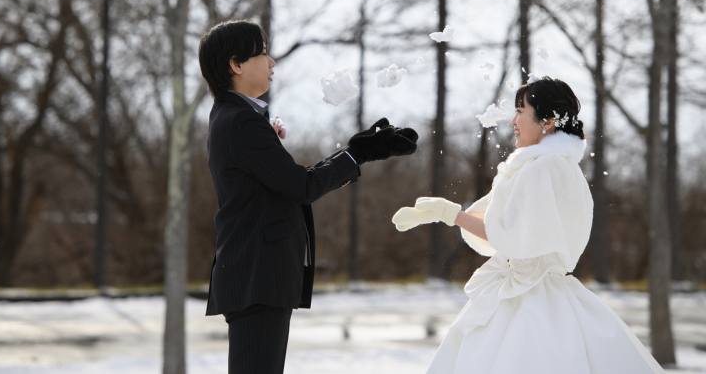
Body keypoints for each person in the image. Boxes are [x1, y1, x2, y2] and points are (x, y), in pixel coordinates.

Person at [393, 76, 665, 374]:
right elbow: (508, 227)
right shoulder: (553, 165)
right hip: (547, 292)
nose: (513, 120)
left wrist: (450, 214)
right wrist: (445, 212)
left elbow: (508, 235)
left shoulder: (544, 167)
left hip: (530, 297)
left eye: (521, 111)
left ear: (547, 121)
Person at [198, 19, 419, 374]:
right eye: (263, 54)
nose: (272, 63)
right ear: (236, 64)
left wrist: (356, 151)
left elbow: (292, 182)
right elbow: (302, 186)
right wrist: (358, 154)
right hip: (258, 275)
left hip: (255, 275)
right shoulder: (239, 121)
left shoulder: (235, 116)